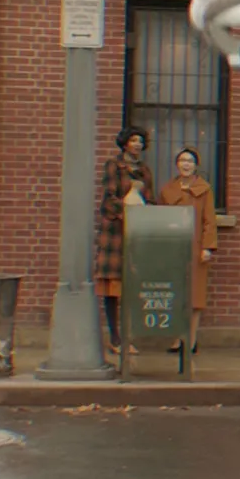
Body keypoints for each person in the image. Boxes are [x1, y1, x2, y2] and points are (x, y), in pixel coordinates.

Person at [93, 125, 155, 355]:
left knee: (133, 286)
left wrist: (149, 216)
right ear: (125, 143)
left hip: (137, 232)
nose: (137, 144)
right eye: (133, 140)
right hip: (116, 233)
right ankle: (115, 338)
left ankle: (128, 335)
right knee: (113, 286)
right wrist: (126, 212)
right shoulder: (114, 166)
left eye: (140, 141)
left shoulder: (145, 171)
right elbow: (109, 198)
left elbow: (150, 198)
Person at [158, 147, 219, 353]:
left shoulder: (204, 189)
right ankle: (177, 339)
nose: (186, 164)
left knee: (194, 296)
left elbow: (209, 220)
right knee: (175, 294)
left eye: (190, 161)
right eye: (182, 160)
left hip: (195, 248)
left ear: (196, 165)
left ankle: (191, 340)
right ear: (177, 164)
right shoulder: (167, 190)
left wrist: (207, 247)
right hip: (173, 248)